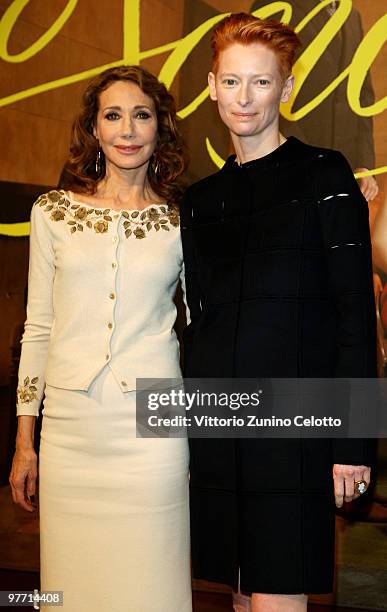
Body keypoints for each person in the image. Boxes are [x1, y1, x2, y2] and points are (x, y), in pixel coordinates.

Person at [180, 14, 376, 612]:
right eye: (232, 81)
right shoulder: (200, 199)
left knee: (278, 594)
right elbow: (198, 319)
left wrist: (354, 442)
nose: (245, 98)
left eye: (261, 83)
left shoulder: (326, 174)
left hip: (294, 427)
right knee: (238, 593)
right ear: (212, 86)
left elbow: (355, 315)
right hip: (216, 420)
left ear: (286, 90)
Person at [9, 65, 192, 612]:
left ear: (160, 128)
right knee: (73, 584)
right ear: (93, 128)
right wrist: (26, 439)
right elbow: (37, 328)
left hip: (152, 430)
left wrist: (347, 191)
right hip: (71, 430)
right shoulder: (52, 213)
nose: (128, 129)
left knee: (152, 579)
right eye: (113, 115)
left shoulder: (182, 219)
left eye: (142, 115)